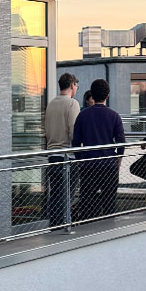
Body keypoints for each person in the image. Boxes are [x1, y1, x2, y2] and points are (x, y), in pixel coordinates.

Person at [71, 79, 125, 221]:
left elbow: (75, 142)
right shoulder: (114, 116)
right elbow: (121, 142)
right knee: (109, 204)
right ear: (107, 95)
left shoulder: (82, 115)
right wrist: (118, 160)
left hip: (89, 165)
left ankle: (90, 234)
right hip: (109, 165)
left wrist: (80, 160)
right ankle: (108, 233)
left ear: (92, 96)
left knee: (88, 204)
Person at [43, 73, 81, 228]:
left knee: (56, 194)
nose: (76, 88)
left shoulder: (51, 103)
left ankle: (54, 226)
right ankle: (64, 227)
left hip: (52, 155)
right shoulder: (72, 104)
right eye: (76, 85)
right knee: (67, 195)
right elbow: (74, 131)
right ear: (72, 85)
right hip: (67, 156)